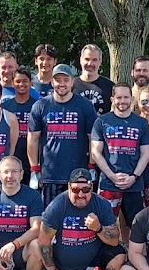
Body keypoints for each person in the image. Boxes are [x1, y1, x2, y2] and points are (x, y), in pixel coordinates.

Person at [38, 168, 127, 270]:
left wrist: (98, 228)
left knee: (118, 253)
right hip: (66, 263)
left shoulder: (101, 204)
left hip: (94, 253)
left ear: (91, 188)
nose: (81, 194)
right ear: (69, 187)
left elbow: (114, 240)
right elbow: (43, 242)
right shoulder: (57, 205)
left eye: (86, 190)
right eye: (76, 189)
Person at [27, 64, 98, 208]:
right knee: (51, 219)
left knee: (78, 218)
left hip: (79, 174)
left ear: (72, 82)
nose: (62, 84)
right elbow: (33, 139)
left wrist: (91, 165)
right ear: (52, 82)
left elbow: (93, 139)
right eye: (58, 80)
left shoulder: (85, 105)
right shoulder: (40, 106)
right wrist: (34, 169)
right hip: (50, 175)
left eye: (66, 80)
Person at [90, 83, 149, 231]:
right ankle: (107, 254)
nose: (122, 101)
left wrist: (134, 177)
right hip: (109, 183)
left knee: (138, 227)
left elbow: (145, 154)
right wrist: (112, 176)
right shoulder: (102, 121)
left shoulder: (141, 123)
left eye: (126, 97)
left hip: (134, 184)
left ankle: (135, 254)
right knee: (105, 225)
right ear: (112, 99)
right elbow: (95, 152)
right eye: (119, 97)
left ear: (132, 99)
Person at [2, 67, 38, 179]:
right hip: (11, 155)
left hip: (31, 158)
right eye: (18, 81)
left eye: (25, 81)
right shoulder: (5, 106)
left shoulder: (38, 106)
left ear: (31, 83)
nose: (21, 84)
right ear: (12, 83)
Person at [72, 44, 114, 115]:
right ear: (81, 60)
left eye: (94, 60)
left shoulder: (110, 86)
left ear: (100, 62)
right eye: (87, 59)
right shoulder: (71, 85)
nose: (90, 63)